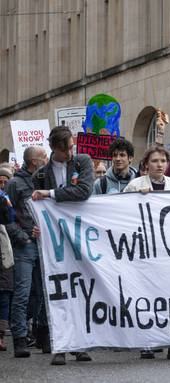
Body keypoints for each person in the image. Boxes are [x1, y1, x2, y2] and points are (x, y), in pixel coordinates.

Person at [31, 126, 95, 366]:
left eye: (71, 147)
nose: (71, 151)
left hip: (80, 236)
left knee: (81, 287)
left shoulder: (82, 162)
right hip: (54, 241)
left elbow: (84, 191)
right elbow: (33, 206)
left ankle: (81, 345)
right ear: (54, 149)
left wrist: (48, 194)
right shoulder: (40, 174)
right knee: (58, 291)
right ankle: (60, 345)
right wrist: (35, 227)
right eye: (66, 148)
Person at [122, 146, 170, 359]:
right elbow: (119, 214)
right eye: (155, 161)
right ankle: (147, 343)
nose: (159, 165)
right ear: (146, 165)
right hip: (144, 250)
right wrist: (135, 200)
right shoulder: (134, 186)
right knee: (147, 295)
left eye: (163, 161)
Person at [4, 147, 47, 358]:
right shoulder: (14, 184)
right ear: (34, 161)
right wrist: (24, 236)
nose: (47, 159)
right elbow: (6, 218)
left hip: (44, 245)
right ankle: (20, 338)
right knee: (22, 293)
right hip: (25, 246)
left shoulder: (44, 181)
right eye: (44, 156)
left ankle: (42, 334)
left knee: (43, 293)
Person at [0, 173, 14, 352]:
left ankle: (1, 335)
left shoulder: (5, 198)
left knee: (3, 294)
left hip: (3, 250)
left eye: (5, 182)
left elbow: (10, 218)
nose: (2, 185)